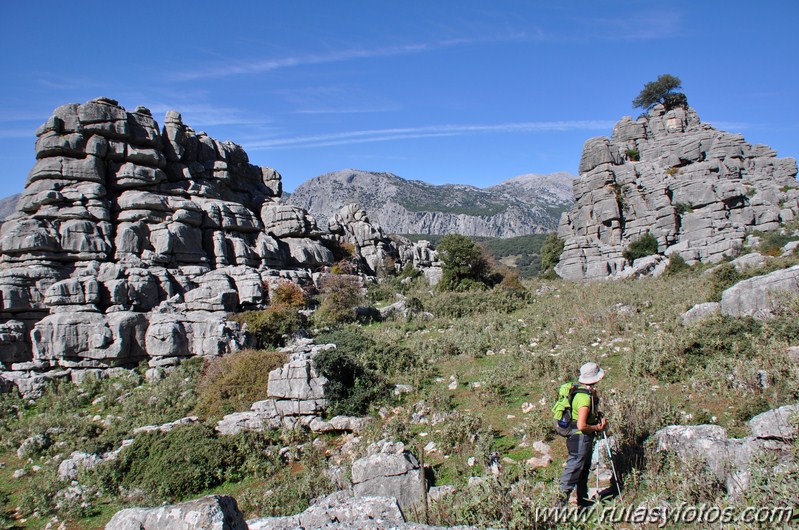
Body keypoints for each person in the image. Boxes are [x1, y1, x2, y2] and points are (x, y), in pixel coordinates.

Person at [559, 361, 606, 508]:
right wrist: (597, 427)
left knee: (583, 468)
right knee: (574, 469)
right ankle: (558, 505)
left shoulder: (582, 391)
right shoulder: (584, 398)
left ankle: (582, 499)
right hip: (580, 437)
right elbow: (582, 425)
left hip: (579, 437)